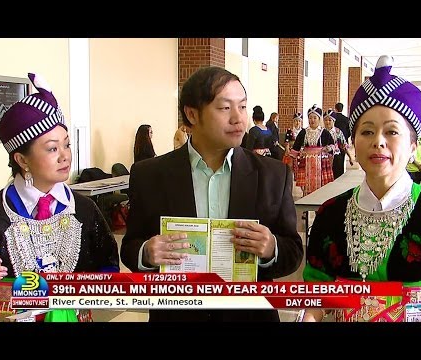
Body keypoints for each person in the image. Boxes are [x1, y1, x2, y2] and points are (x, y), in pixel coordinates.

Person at [120, 66, 303, 322]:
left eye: (242, 106)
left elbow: (293, 251)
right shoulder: (149, 175)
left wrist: (271, 248)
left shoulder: (273, 175)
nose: (239, 119)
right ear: (192, 114)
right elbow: (130, 246)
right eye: (225, 108)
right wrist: (146, 253)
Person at [300, 55, 421, 322]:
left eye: (392, 132)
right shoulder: (329, 216)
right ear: (353, 143)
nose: (378, 142)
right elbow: (315, 295)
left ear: (413, 146)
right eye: (366, 132)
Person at [0, 73, 119, 322]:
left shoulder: (84, 210)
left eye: (67, 145)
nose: (65, 156)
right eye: (52, 148)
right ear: (21, 159)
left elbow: (108, 265)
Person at [290, 105, 335, 195]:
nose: (312, 120)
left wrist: (328, 148)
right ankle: (306, 204)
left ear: (319, 119)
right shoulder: (303, 132)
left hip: (321, 162)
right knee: (306, 186)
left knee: (321, 187)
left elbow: (333, 146)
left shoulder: (324, 132)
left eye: (315, 118)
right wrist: (292, 161)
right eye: (310, 118)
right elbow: (296, 147)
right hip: (306, 162)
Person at [323, 109, 354, 179]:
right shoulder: (321, 132)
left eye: (330, 120)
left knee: (338, 177)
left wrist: (350, 157)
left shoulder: (338, 132)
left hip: (337, 158)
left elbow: (344, 145)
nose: (327, 122)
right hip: (324, 159)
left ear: (334, 121)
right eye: (326, 120)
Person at [334, 102, 351, 177]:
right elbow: (350, 130)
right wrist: (346, 136)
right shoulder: (346, 119)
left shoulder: (333, 118)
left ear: (335, 108)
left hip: (334, 141)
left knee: (334, 159)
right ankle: (340, 174)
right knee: (341, 158)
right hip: (343, 142)